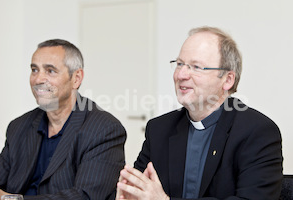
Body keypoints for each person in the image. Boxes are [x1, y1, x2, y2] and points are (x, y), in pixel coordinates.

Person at [116, 26, 283, 200]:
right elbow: (138, 191)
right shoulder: (159, 129)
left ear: (227, 79)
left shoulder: (258, 132)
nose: (181, 74)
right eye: (179, 64)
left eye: (196, 67)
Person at [0, 39, 126, 200]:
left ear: (76, 78)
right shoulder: (19, 126)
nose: (38, 79)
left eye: (50, 71)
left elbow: (85, 197)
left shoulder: (105, 129)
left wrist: (9, 199)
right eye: (34, 70)